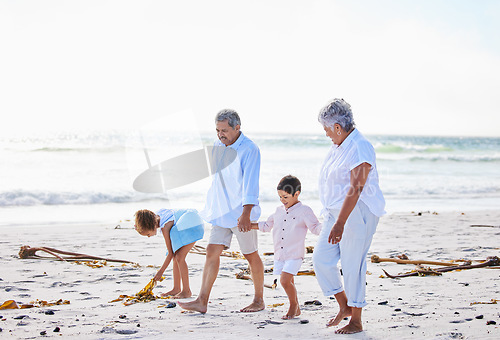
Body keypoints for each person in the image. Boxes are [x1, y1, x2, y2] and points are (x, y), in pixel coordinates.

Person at [178, 109, 265, 313]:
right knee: (211, 251)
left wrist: (246, 214)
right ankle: (202, 300)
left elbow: (251, 184)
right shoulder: (218, 145)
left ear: (237, 127)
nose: (220, 134)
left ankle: (259, 300)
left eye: (224, 130)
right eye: (217, 130)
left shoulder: (250, 149)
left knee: (250, 254)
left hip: (241, 213)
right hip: (220, 211)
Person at [312, 98, 385, 334]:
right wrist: (335, 220)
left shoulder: (359, 146)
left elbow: (356, 187)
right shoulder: (339, 146)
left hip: (356, 213)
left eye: (326, 129)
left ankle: (356, 320)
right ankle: (344, 306)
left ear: (337, 127)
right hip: (335, 212)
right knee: (321, 260)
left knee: (353, 264)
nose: (326, 134)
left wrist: (341, 222)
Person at [251, 175, 321, 319]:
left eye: (286, 197)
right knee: (289, 281)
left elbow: (315, 228)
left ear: (297, 194)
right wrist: (250, 226)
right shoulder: (278, 211)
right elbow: (267, 225)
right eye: (280, 197)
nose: (283, 201)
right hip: (280, 254)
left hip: (295, 254)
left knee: (284, 281)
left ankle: (293, 306)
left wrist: (334, 228)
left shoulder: (304, 210)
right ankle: (297, 308)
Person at [134, 208, 205, 298]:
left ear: (150, 226)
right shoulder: (159, 214)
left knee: (179, 257)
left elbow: (170, 254)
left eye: (148, 234)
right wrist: (138, 226)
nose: (149, 236)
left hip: (192, 225)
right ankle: (176, 288)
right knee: (177, 255)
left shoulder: (165, 227)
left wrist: (161, 271)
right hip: (190, 221)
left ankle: (186, 291)